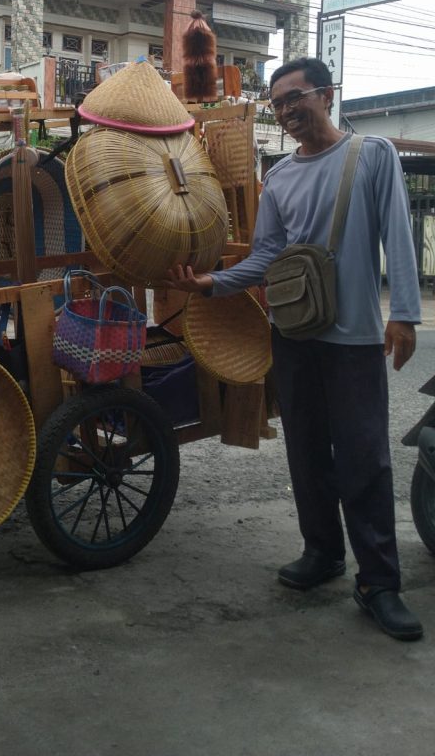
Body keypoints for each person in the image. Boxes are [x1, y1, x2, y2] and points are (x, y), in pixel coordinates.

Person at [164, 56, 423, 641]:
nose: (287, 112)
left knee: (364, 459)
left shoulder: (372, 156)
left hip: (355, 339)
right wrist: (211, 282)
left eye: (295, 98)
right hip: (295, 335)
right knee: (306, 450)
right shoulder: (278, 178)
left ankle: (379, 583)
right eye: (278, 104)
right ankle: (322, 551)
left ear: (326, 96)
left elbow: (397, 236)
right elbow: (266, 259)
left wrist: (403, 315)